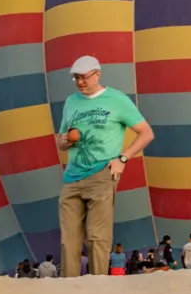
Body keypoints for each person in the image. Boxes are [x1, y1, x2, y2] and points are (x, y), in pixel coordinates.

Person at [55, 55, 155, 276]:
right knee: (68, 240)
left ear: (97, 74)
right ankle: (69, 289)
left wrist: (123, 158)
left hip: (102, 173)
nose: (80, 82)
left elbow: (146, 133)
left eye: (84, 77)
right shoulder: (71, 102)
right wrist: (64, 140)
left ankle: (99, 288)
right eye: (76, 78)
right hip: (71, 177)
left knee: (96, 236)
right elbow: (60, 139)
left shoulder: (117, 100)